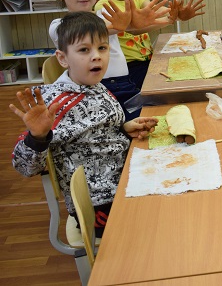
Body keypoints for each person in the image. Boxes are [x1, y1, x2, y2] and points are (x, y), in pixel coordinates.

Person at [12, 12, 158, 238]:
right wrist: (37, 136)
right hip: (100, 204)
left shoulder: (94, 84)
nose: (96, 56)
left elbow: (90, 131)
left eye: (102, 48)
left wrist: (123, 129)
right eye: (84, 50)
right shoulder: (56, 104)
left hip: (127, 179)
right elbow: (24, 167)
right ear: (63, 58)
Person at [48, 0, 170, 120]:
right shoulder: (58, 26)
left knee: (163, 113)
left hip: (125, 84)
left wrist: (171, 19)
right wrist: (128, 25)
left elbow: (130, 28)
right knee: (150, 121)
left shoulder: (104, 15)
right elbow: (91, 30)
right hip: (96, 92)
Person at [95, 0, 205, 89]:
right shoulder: (104, 6)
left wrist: (175, 15)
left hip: (148, 59)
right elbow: (135, 29)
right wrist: (169, 19)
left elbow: (156, 14)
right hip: (128, 68)